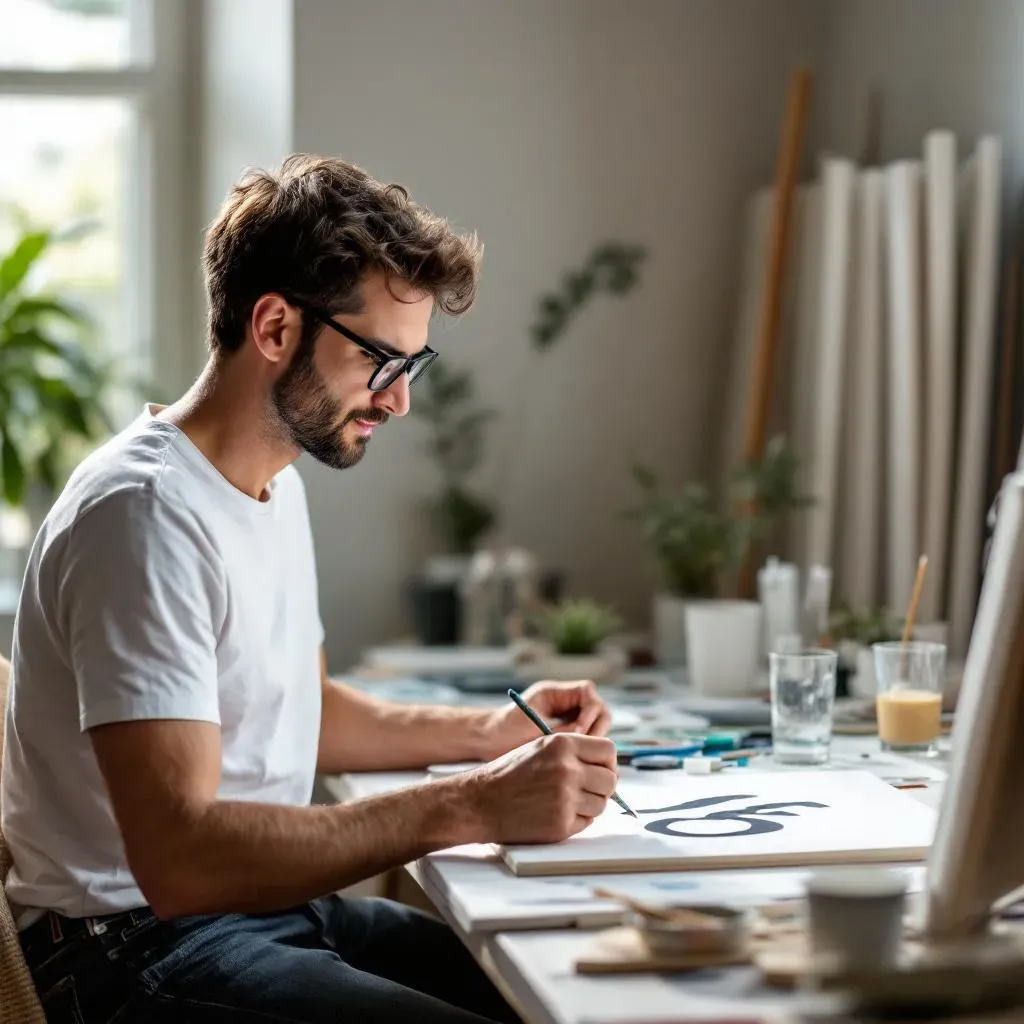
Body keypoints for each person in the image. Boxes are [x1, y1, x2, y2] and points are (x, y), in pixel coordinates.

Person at [1, 155, 619, 1023]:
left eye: (414, 363)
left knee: (558, 987)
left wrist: (492, 733)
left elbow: (305, 709)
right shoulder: (141, 515)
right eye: (379, 360)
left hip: (257, 913)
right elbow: (180, 858)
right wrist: (474, 802)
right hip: (132, 947)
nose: (399, 401)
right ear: (276, 328)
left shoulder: (272, 483)